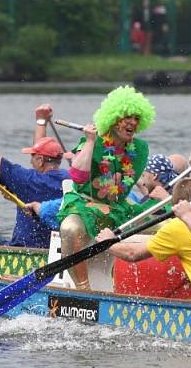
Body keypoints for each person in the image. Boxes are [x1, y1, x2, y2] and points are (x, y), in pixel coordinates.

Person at [57, 85, 155, 288]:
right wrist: (91, 142)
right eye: (127, 117)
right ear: (113, 119)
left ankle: (163, 288)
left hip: (120, 210)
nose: (133, 123)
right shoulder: (94, 141)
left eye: (137, 118)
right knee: (69, 228)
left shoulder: (141, 148)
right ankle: (84, 291)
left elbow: (125, 187)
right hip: (86, 207)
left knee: (169, 226)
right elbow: (77, 176)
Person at [0, 103, 70, 248]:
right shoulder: (71, 179)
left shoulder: (26, 180)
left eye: (33, 157)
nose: (30, 161)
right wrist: (41, 121)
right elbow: (39, 152)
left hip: (24, 250)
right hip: (59, 251)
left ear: (41, 160)